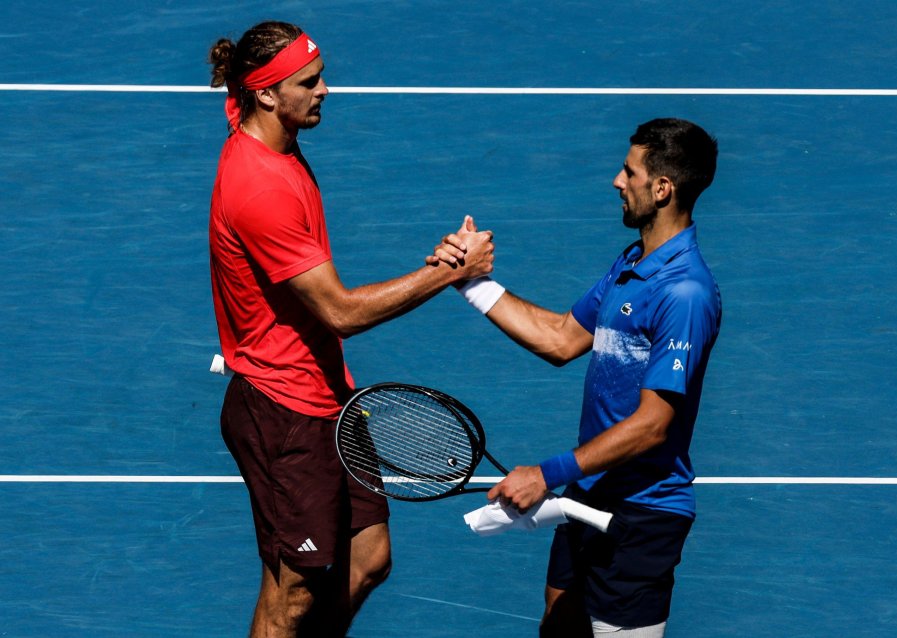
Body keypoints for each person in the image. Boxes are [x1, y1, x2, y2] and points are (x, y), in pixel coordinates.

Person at [206, 21, 494, 638]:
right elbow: (339, 312)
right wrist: (448, 270)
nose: (325, 90)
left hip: (327, 394)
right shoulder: (261, 186)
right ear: (264, 94)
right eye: (307, 83)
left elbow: (241, 90)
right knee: (291, 594)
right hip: (284, 410)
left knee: (368, 561)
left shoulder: (267, 132)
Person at [435, 118, 721, 637]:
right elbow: (562, 338)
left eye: (629, 172)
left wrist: (548, 473)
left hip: (642, 515)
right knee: (558, 625)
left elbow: (654, 425)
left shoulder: (685, 293)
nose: (617, 180)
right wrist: (470, 283)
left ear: (662, 188)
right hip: (590, 493)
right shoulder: (633, 264)